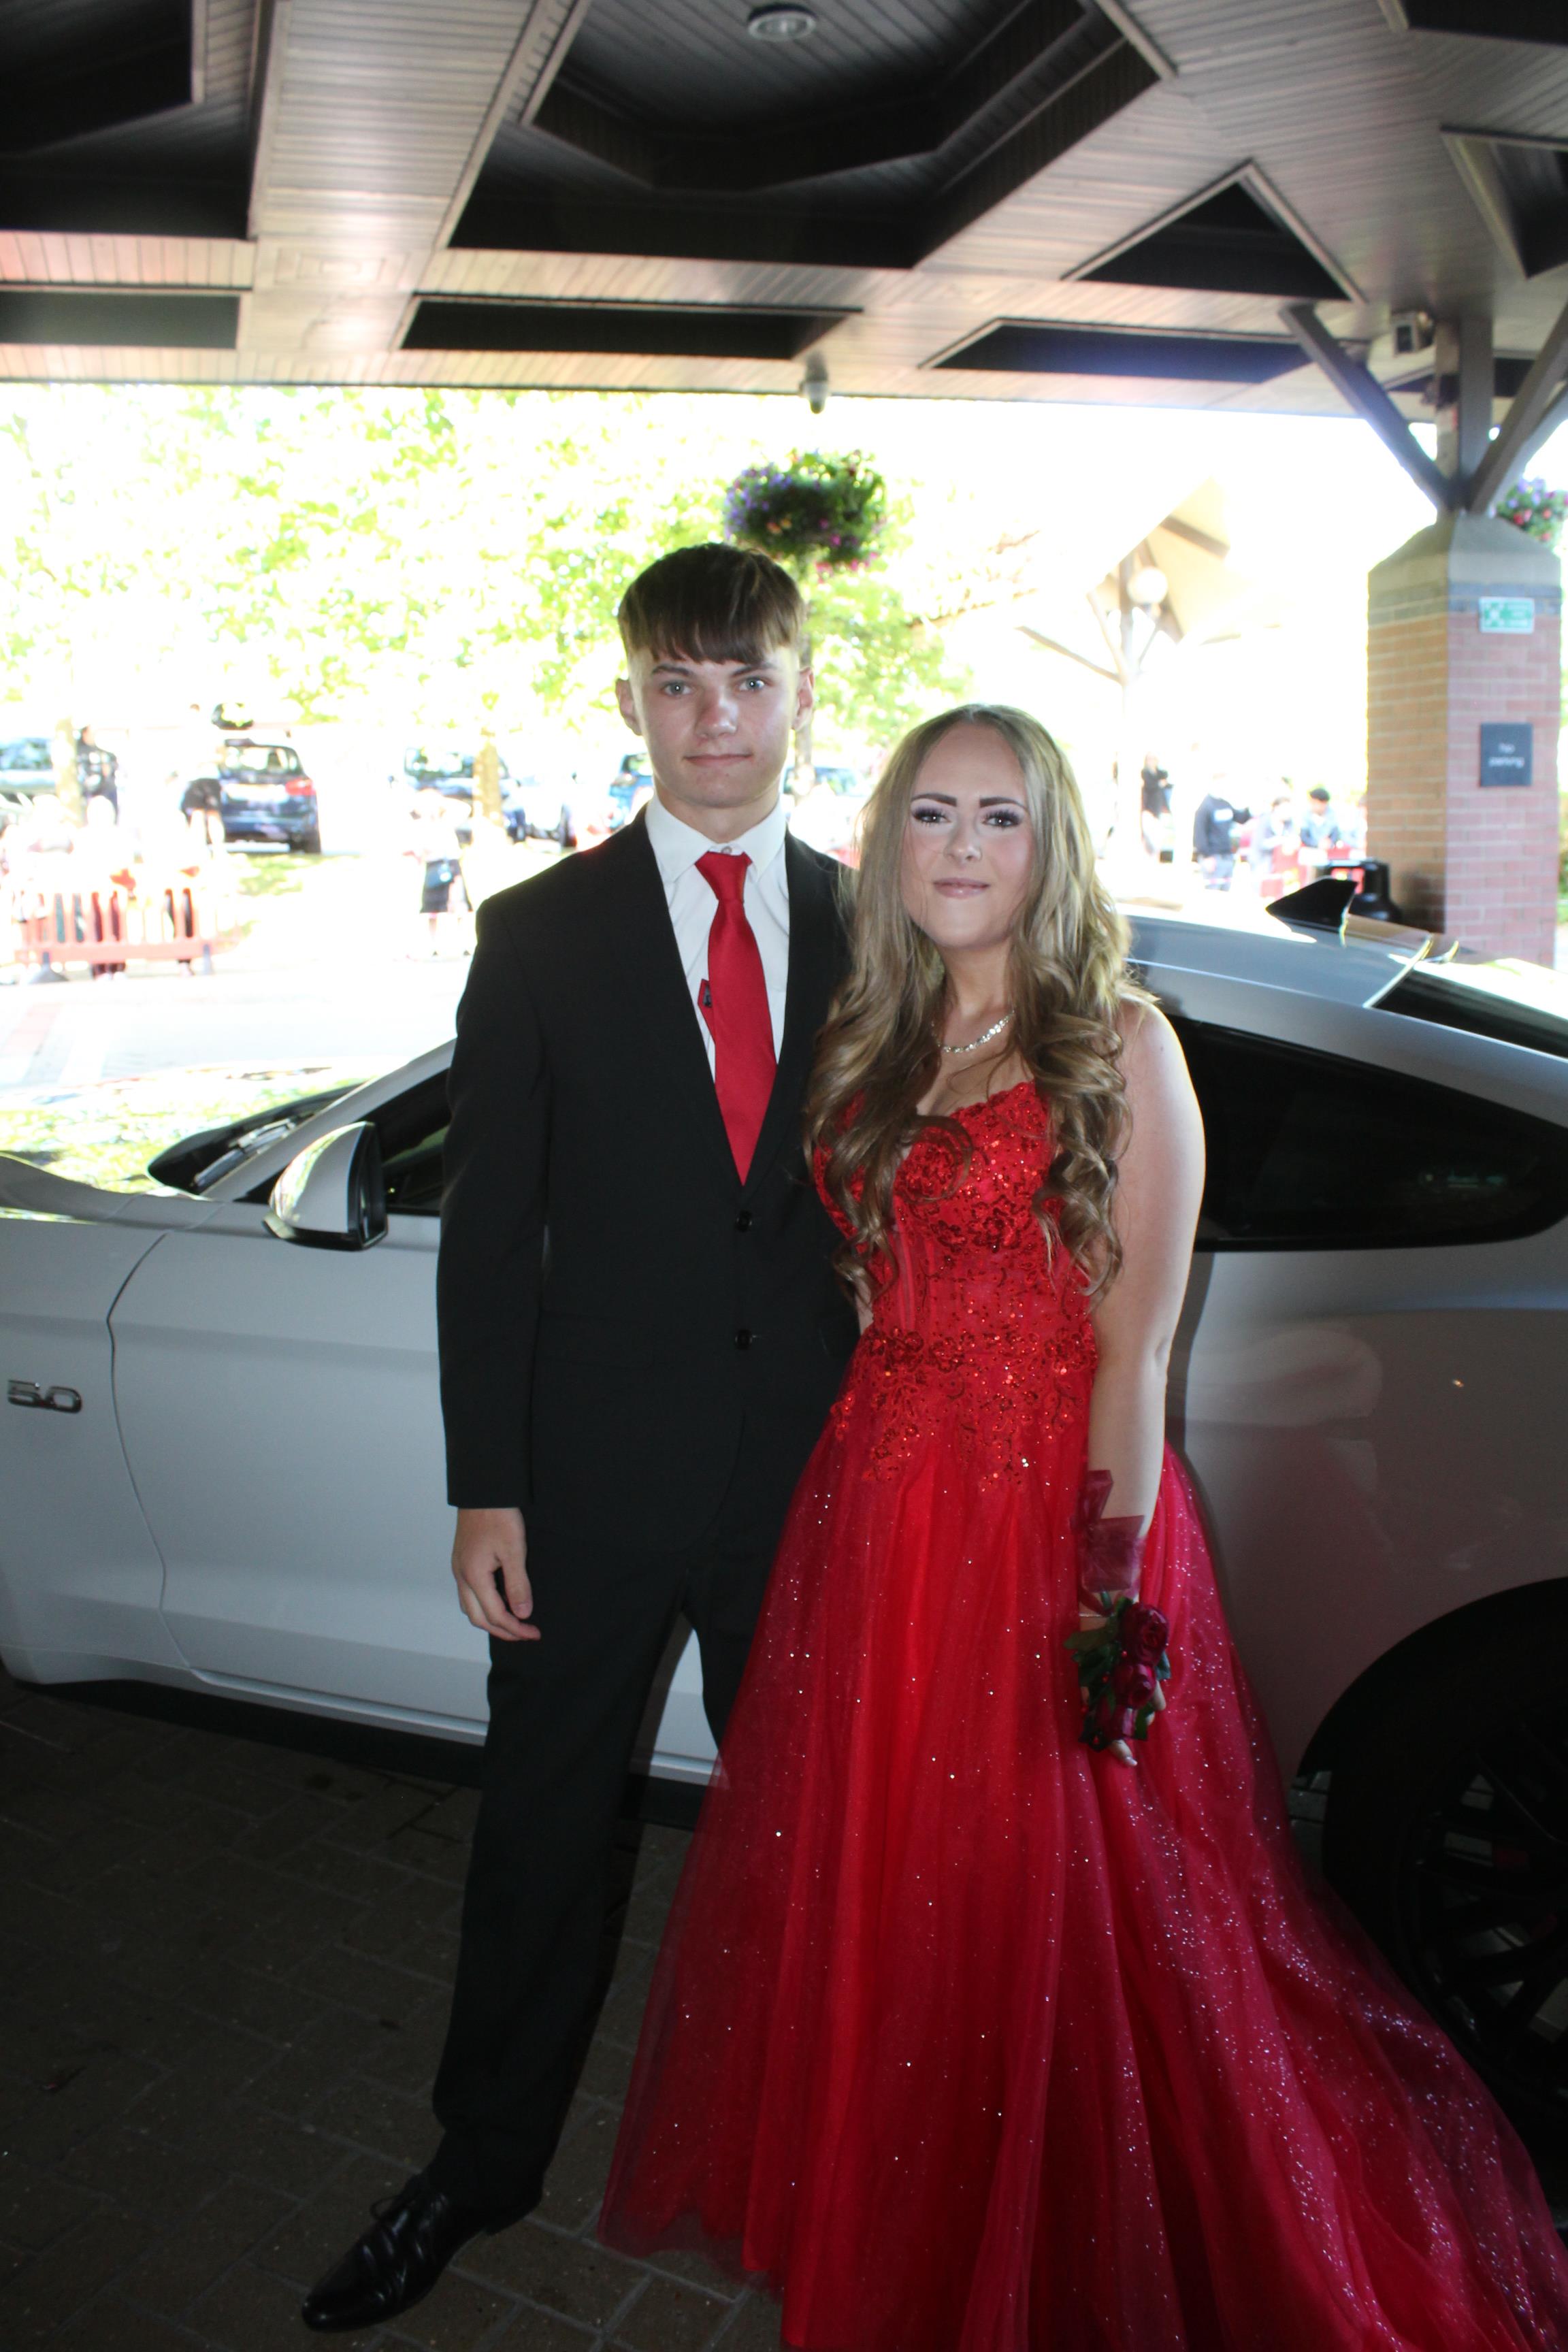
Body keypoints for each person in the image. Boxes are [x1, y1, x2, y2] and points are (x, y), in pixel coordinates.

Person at [598, 704, 1568, 2351]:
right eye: (931, 814)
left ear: (1049, 846)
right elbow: (857, 1276)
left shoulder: (1121, 1043)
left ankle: (1063, 2227)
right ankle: (907, 2195)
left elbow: (1138, 1348)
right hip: (880, 1508)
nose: (962, 847)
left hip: (1051, 1518)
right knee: (898, 1882)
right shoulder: (875, 1035)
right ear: (889, 843)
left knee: (1063, 1899)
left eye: (999, 816)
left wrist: (1104, 1592)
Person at [299, 544, 858, 2333]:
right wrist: (486, 1487)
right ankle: (476, 2164)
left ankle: (828, 2162)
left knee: (817, 1847)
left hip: (813, 1484)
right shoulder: (538, 933)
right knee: (541, 1840)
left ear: (798, 693)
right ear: (630, 704)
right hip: (587, 1487)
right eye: (678, 684)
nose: (716, 718)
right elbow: (489, 1233)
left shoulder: (878, 926)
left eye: (748, 679)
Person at [405, 783, 472, 956]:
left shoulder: (447, 821)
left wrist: (442, 802)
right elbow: (417, 849)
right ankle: (434, 946)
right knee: (432, 909)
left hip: (452, 865)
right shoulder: (419, 826)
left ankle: (463, 944)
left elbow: (465, 809)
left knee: (458, 906)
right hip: (434, 866)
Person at [1190, 777, 1249, 887]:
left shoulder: (1225, 804)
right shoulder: (1205, 806)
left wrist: (1250, 810)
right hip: (1213, 858)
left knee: (1225, 891)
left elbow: (1240, 818)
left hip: (1227, 856)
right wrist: (1207, 856)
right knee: (1213, 892)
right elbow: (1199, 834)